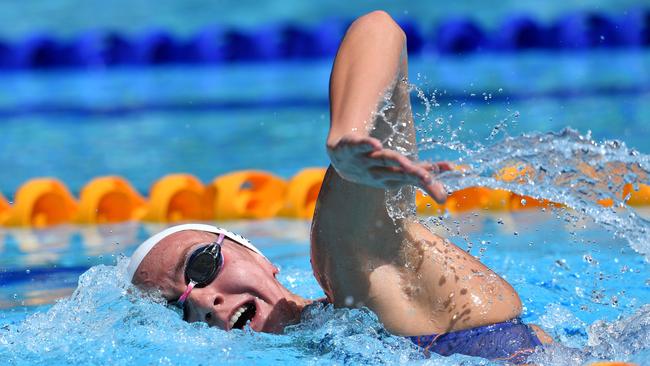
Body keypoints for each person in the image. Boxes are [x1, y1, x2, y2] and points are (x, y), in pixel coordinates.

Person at [126, 10, 552, 363]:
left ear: (256, 256)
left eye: (200, 267)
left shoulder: (355, 277)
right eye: (175, 309)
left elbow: (379, 28)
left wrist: (346, 137)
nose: (201, 302)